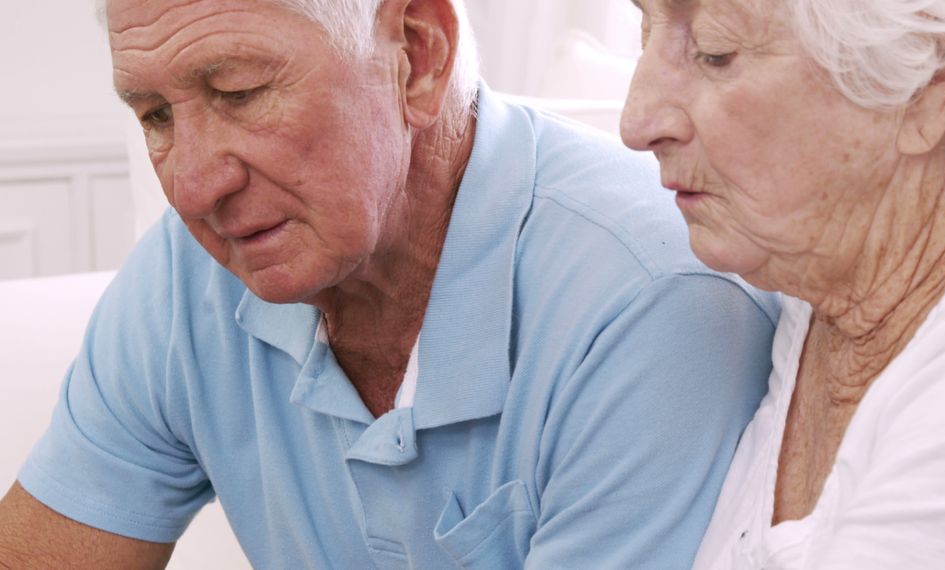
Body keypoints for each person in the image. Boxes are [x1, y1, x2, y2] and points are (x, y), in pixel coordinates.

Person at [0, 0, 780, 567]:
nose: (194, 184)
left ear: (418, 55)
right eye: (154, 116)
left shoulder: (657, 302)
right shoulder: (184, 275)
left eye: (238, 92)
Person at [621, 0, 945, 568]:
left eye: (715, 52)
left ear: (932, 74)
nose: (635, 123)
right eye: (643, 26)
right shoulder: (818, 254)